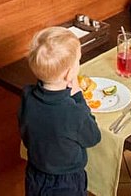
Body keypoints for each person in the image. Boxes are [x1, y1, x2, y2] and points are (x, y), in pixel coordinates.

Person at [18, 27, 101, 196]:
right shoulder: (73, 112)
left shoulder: (27, 96)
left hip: (35, 174)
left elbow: (25, 132)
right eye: (78, 61)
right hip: (66, 181)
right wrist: (78, 96)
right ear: (70, 73)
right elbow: (93, 137)